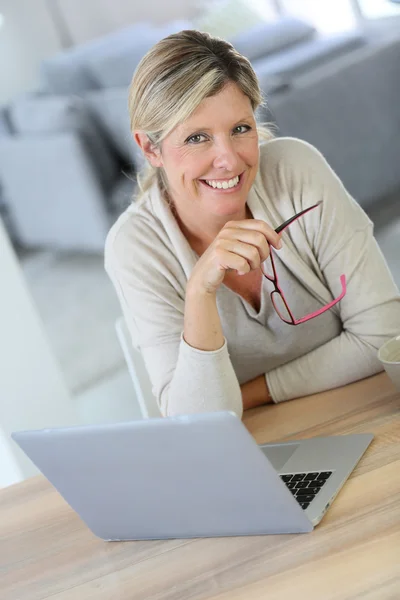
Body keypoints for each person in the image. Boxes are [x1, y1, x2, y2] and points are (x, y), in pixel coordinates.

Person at [105, 30, 400, 419]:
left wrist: (252, 394)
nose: (229, 159)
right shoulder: (136, 248)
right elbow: (197, 421)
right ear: (149, 148)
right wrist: (200, 292)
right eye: (197, 138)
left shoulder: (296, 170)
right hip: (253, 454)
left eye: (240, 129)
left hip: (362, 413)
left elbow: (385, 335)